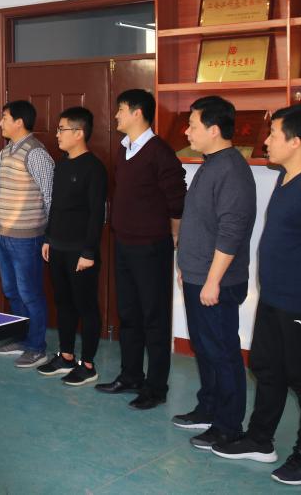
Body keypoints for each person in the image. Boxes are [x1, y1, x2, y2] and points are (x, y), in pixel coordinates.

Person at [211, 105, 301, 485]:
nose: (265, 141)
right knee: (266, 367)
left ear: (295, 142)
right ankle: (260, 439)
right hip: (275, 297)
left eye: (274, 134)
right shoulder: (286, 177)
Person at [172, 95, 256, 450]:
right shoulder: (211, 163)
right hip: (198, 276)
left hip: (217, 282)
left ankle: (228, 425)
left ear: (214, 129)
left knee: (222, 352)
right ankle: (208, 408)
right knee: (205, 349)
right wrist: (187, 268)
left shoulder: (232, 170)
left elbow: (231, 232)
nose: (187, 131)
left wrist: (212, 280)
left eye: (192, 125)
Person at [96, 89, 186, 411]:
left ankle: (156, 387)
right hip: (124, 243)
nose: (116, 115)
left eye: (120, 109)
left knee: (154, 318)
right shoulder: (124, 149)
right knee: (129, 314)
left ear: (137, 113)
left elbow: (177, 197)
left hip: (151, 246)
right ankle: (130, 375)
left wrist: (174, 234)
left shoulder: (159, 151)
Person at [37, 107, 107, 386]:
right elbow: (56, 207)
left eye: (61, 129)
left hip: (81, 252)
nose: (57, 134)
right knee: (63, 303)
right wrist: (48, 238)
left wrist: (88, 252)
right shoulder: (62, 164)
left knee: (86, 306)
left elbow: (96, 214)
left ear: (79, 133)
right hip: (57, 247)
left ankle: (87, 365)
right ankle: (65, 356)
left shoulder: (94, 168)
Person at [0, 100, 54, 370]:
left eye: (5, 118)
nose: (1, 122)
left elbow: (50, 195)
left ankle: (37, 347)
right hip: (4, 233)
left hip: (27, 237)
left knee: (30, 293)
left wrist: (49, 235)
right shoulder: (6, 151)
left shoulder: (36, 153)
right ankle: (21, 338)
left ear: (19, 122)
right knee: (11, 291)